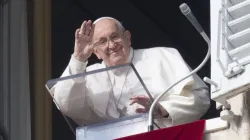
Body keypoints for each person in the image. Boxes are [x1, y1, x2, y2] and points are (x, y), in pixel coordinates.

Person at [50, 17, 210, 127]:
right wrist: (78, 58)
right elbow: (65, 104)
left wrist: (160, 109)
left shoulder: (161, 56)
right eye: (102, 41)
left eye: (115, 36)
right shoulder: (89, 76)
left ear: (128, 37)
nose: (111, 45)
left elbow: (200, 97)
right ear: (95, 52)